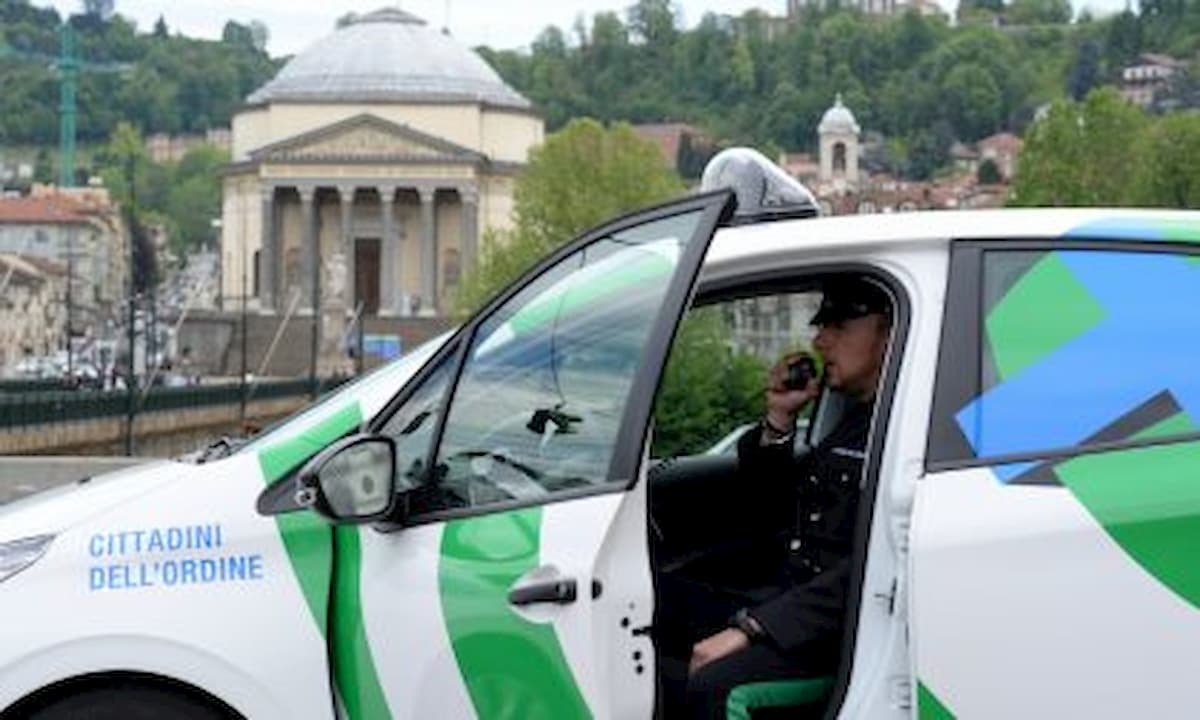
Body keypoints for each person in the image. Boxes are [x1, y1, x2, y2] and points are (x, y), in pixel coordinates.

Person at [657, 277, 892, 719]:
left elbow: (873, 564)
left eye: (839, 327)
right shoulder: (854, 420)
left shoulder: (899, 429)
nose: (820, 340)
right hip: (789, 602)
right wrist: (781, 417)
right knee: (649, 598)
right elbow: (767, 508)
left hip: (832, 631)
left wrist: (754, 627)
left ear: (886, 333)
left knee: (715, 688)